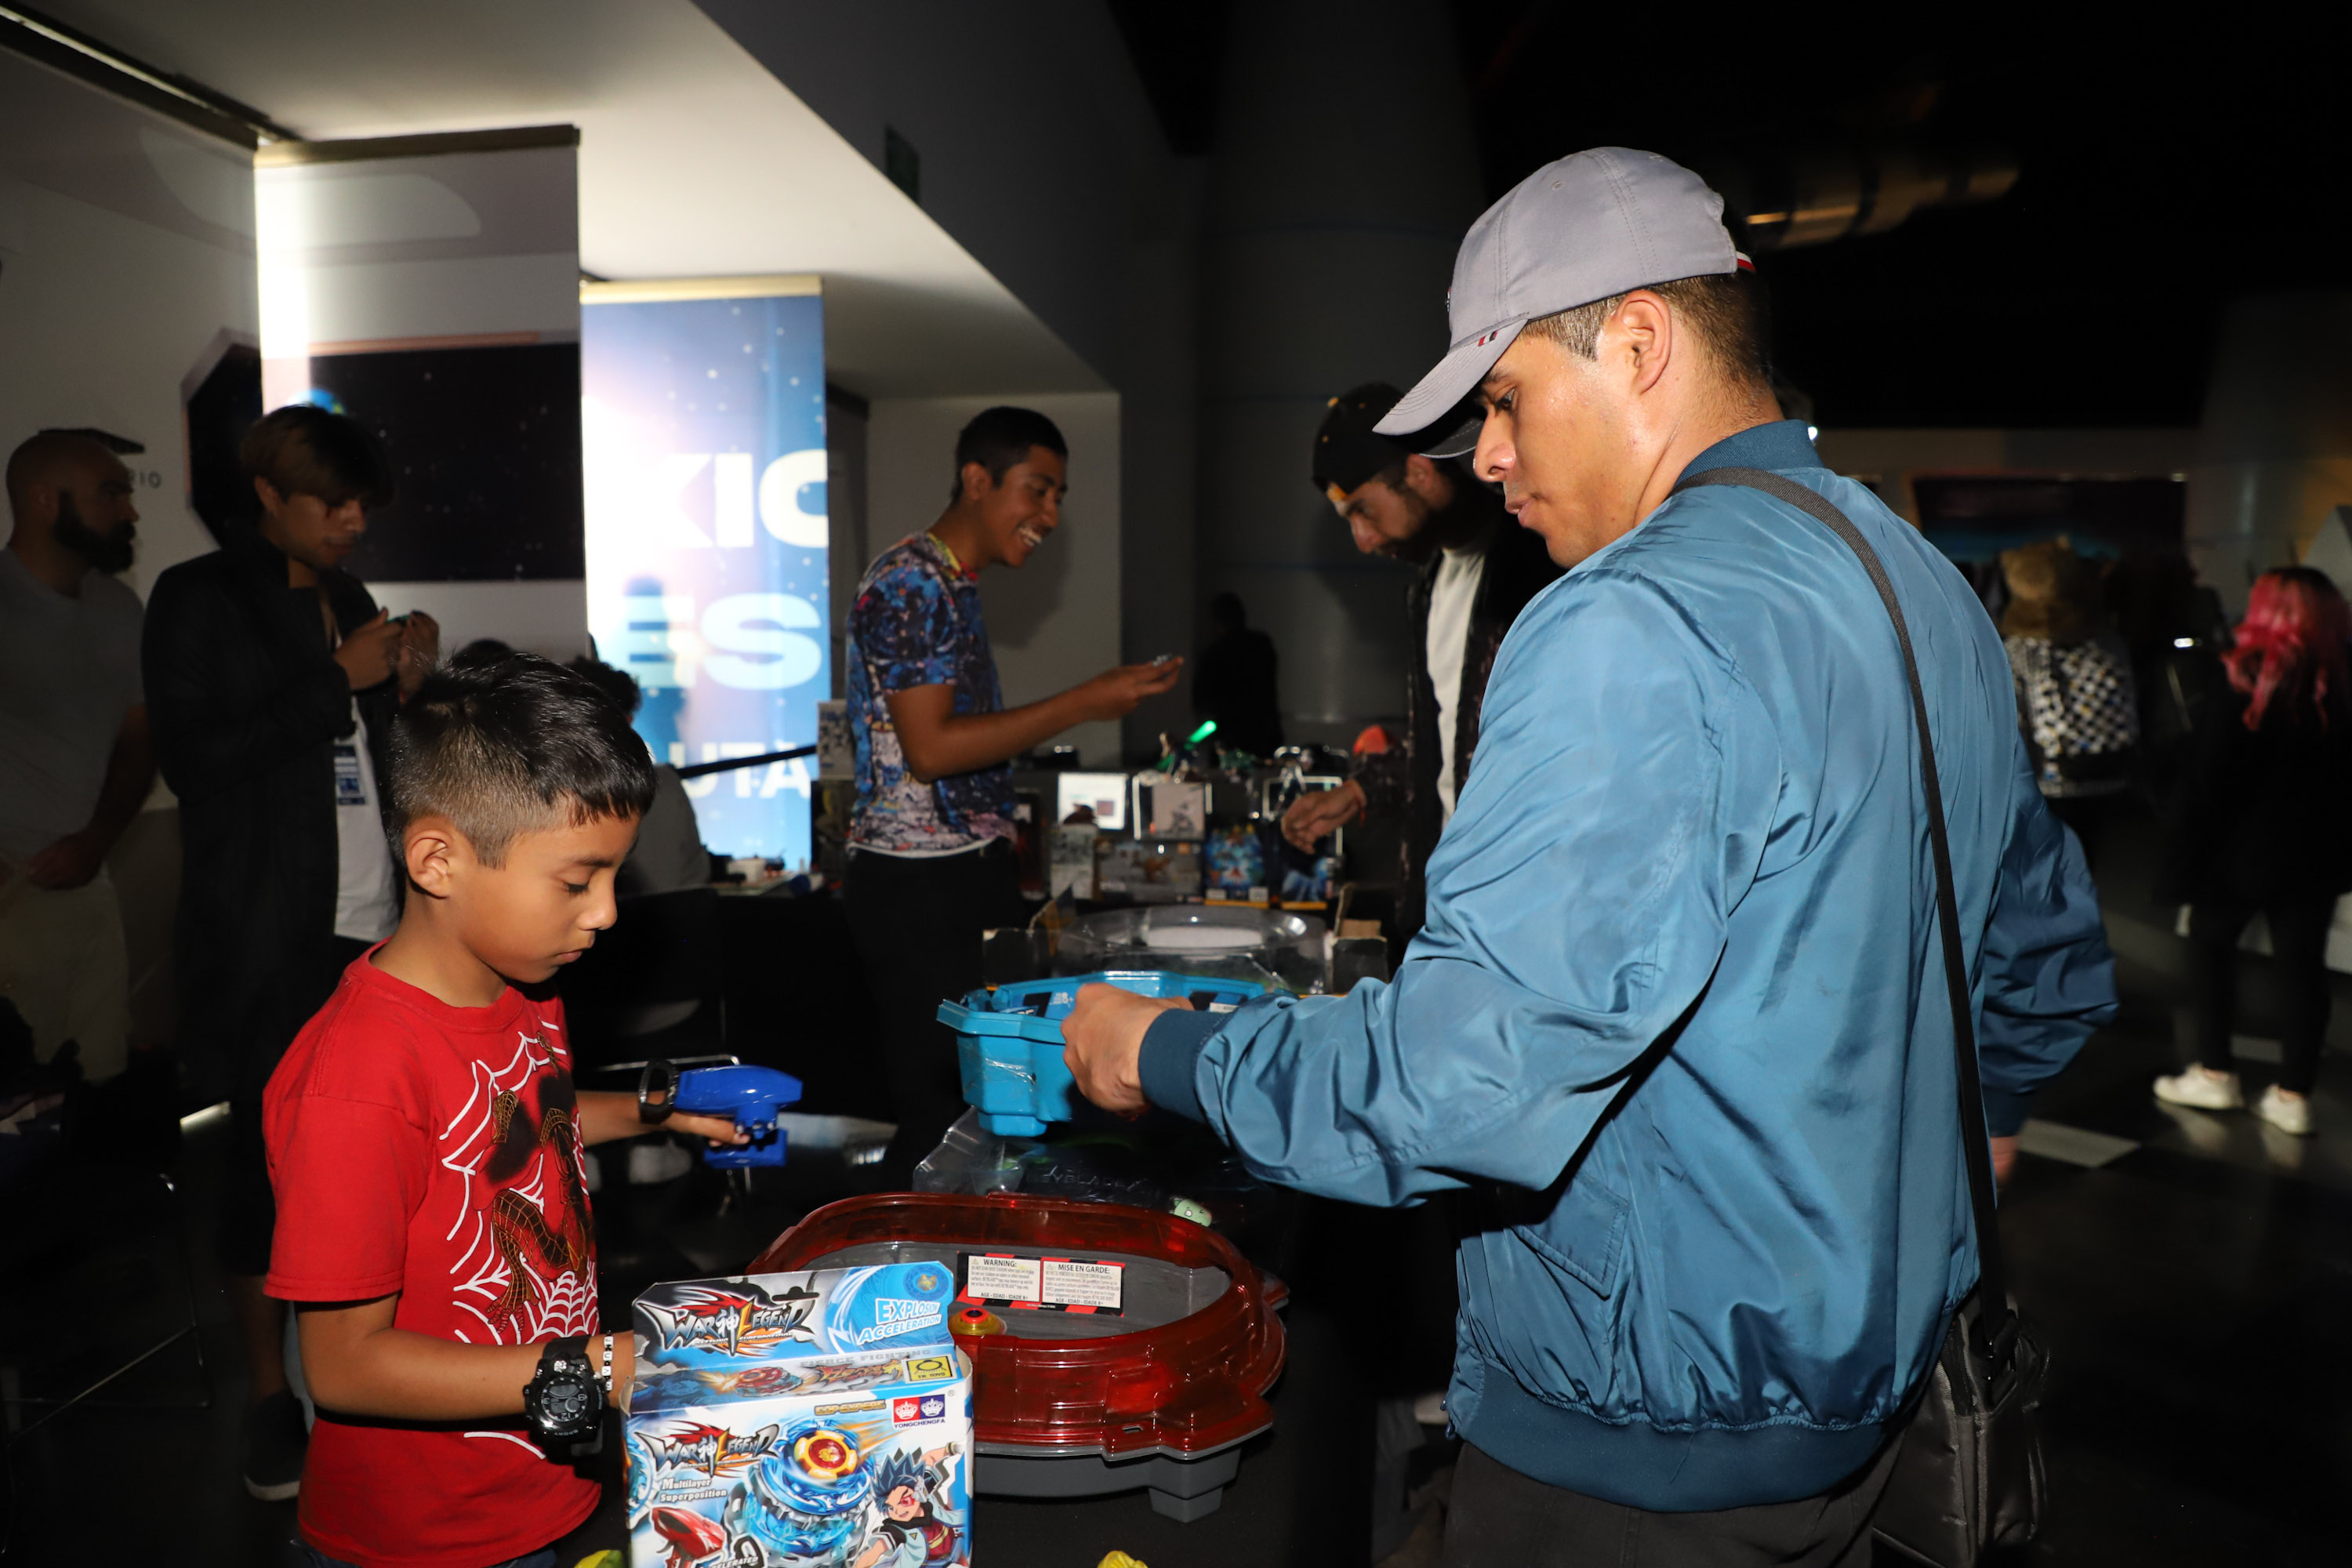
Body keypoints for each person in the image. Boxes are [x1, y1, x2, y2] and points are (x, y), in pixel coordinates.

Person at [1063, 148, 2118, 1563]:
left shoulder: (1629, 620)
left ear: (1637, 341)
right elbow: (2043, 960)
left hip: (1645, 1443)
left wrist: (1171, 1051)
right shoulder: (1921, 586)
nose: (1484, 457)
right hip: (1874, 1402)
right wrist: (1930, 1181)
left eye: (1503, 399)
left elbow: (1461, 1082)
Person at [263, 652, 746, 1568]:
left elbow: (522, 1130)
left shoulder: (523, 986)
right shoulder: (355, 1080)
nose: (605, 913)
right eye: (578, 881)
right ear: (438, 857)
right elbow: (344, 1364)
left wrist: (656, 1111)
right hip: (418, 1536)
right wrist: (606, 1366)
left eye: (614, 877)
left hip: (537, 1481)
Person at [143, 404, 439, 1501]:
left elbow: (376, 764)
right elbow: (198, 758)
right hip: (265, 931)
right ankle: (273, 1398)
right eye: (334, 503)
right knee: (263, 1173)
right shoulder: (198, 596)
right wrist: (338, 680)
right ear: (267, 494)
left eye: (364, 505)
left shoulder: (351, 599)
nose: (353, 523)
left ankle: (381, 1379)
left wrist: (406, 692)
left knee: (377, 1161)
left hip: (373, 917)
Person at [844, 405, 1179, 1178]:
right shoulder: (912, 582)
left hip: (950, 874)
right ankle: (893, 1279)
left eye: (1058, 496)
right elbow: (930, 749)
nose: (1049, 515)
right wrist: (1084, 701)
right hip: (916, 882)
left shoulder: (949, 585)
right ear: (976, 479)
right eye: (1038, 489)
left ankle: (961, 1277)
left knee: (983, 1106)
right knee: (942, 1112)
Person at [1282, 383, 1560, 942]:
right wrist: (1361, 789)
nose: (1360, 540)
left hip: (1526, 915)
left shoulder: (1539, 564)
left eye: (1362, 510)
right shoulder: (1428, 587)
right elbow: (1453, 742)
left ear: (1419, 471)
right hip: (1448, 913)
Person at [2153, 567, 2352, 1137]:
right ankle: (2294, 1094)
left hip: (2237, 853)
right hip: (2317, 853)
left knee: (2210, 949)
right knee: (2302, 969)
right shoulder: (2341, 680)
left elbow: (2210, 776)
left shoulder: (2242, 676)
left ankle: (2216, 1073)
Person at [0, 430, 153, 1083]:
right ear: (43, 500)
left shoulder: (120, 607)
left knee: (99, 1081)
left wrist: (97, 839)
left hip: (92, 884)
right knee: (16, 1093)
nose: (131, 509)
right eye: (110, 492)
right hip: (11, 890)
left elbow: (140, 737)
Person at [1998, 535, 2140, 863]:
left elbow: (2011, 722)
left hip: (2046, 782)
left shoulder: (2017, 651)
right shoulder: (2108, 643)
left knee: (2043, 869)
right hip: (2106, 773)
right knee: (2086, 859)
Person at [1190, 592, 1283, 758]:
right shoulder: (1261, 644)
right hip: (1264, 735)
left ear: (1217, 621)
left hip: (1229, 737)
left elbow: (1200, 701)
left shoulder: (1214, 653)